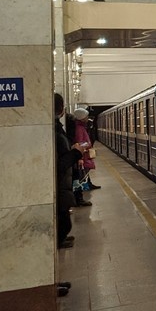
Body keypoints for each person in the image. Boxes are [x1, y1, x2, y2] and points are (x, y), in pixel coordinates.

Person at [55, 93, 89, 250]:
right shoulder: (57, 131)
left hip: (65, 179)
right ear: (61, 109)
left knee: (64, 209)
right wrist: (76, 152)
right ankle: (59, 238)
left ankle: (61, 237)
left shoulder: (58, 129)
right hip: (62, 179)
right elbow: (59, 163)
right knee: (62, 209)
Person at [72, 108, 100, 190]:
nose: (88, 118)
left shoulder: (81, 127)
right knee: (84, 170)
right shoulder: (79, 129)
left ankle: (88, 184)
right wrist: (87, 144)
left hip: (84, 153)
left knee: (85, 170)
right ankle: (84, 186)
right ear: (82, 118)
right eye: (86, 116)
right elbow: (79, 142)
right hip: (83, 154)